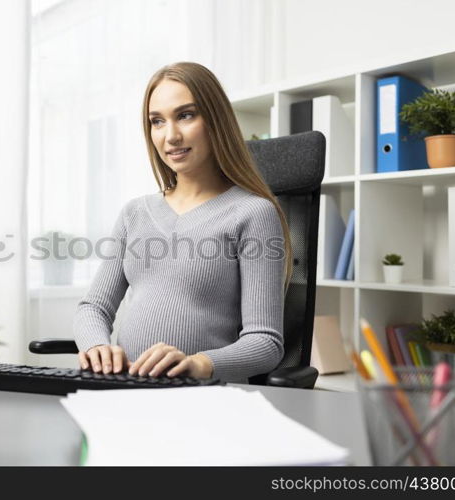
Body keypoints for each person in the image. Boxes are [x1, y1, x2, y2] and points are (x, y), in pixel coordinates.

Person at [73, 62, 292, 383]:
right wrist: (97, 346)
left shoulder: (253, 214)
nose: (171, 136)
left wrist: (199, 364)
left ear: (216, 120)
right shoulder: (134, 213)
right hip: (127, 391)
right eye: (157, 121)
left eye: (186, 115)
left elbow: (266, 343)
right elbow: (93, 307)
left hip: (204, 399)